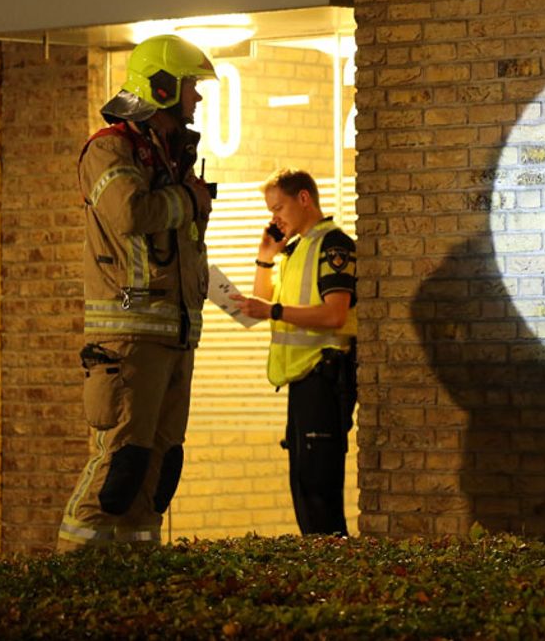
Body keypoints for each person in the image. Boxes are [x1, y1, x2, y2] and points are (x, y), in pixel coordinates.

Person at [58, 34, 215, 550]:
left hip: (175, 336)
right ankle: (68, 578)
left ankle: (135, 582)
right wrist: (188, 202)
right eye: (191, 87)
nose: (196, 99)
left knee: (159, 469)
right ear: (163, 88)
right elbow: (129, 214)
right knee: (120, 466)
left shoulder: (170, 161)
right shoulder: (109, 149)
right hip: (130, 331)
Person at [232, 169, 358, 535]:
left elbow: (335, 313)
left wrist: (271, 311)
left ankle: (338, 573)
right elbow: (266, 297)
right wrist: (265, 257)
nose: (274, 218)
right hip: (302, 381)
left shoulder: (333, 246)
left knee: (319, 489)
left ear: (304, 198)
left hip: (325, 376)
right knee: (304, 487)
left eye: (278, 207)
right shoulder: (297, 248)